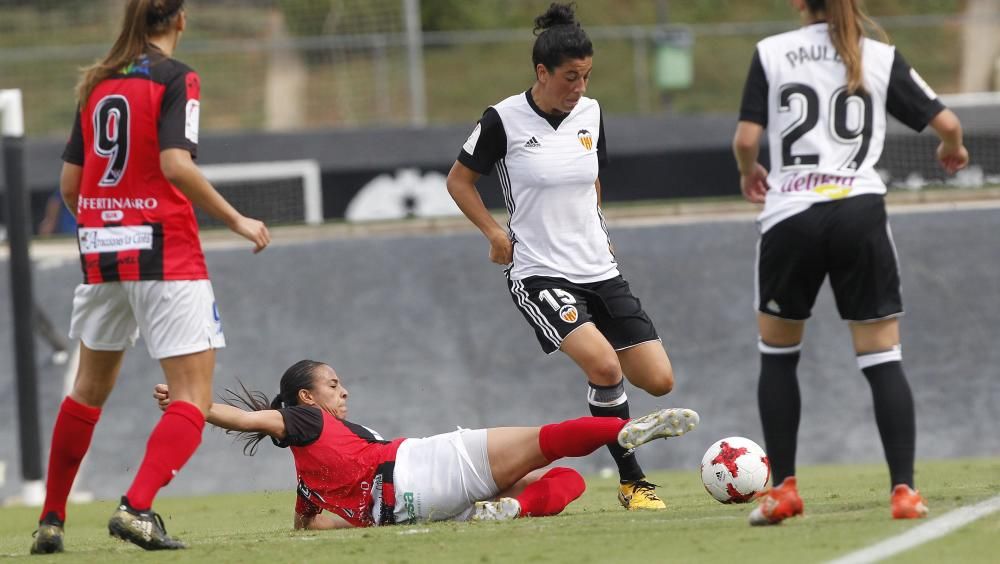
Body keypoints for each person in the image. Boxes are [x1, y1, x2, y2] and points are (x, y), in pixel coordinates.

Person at [30, 0, 271, 554]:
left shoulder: (97, 83)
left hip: (102, 251)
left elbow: (72, 185)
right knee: (192, 394)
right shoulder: (177, 78)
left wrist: (103, 222)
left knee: (88, 391)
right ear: (179, 20)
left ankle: (50, 519)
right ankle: (137, 509)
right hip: (164, 250)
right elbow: (174, 164)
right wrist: (236, 218)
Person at [732, 0, 968, 526]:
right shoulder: (877, 55)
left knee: (777, 354)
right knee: (882, 358)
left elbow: (748, 138)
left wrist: (750, 171)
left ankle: (784, 491)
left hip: (790, 213)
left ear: (799, 4)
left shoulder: (771, 52)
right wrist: (952, 147)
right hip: (858, 211)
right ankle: (904, 492)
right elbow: (947, 122)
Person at [445, 2, 678, 511]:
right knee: (604, 368)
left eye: (587, 76)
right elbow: (458, 181)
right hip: (539, 272)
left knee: (659, 381)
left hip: (600, 267)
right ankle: (632, 479)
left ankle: (615, 419)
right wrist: (492, 232)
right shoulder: (502, 119)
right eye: (571, 77)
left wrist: (599, 227)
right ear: (542, 72)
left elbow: (591, 177)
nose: (580, 87)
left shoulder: (591, 113)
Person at [153, 360, 700, 528]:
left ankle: (511, 508)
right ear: (305, 397)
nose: (344, 389)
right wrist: (190, 400)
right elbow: (248, 421)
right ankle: (618, 431)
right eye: (334, 383)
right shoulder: (306, 419)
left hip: (418, 507)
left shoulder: (312, 473)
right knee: (547, 442)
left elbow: (310, 527)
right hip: (434, 462)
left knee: (568, 480)